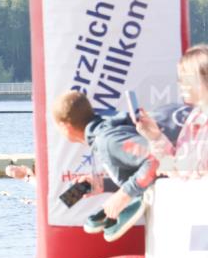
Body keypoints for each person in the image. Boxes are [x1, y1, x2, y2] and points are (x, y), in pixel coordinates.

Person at [51, 91, 157, 242]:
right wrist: (103, 184)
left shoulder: (108, 140)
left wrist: (123, 195)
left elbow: (154, 158)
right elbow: (142, 170)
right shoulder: (104, 134)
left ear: (65, 126)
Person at [136, 45, 208, 179]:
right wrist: (155, 136)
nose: (180, 84)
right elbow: (179, 169)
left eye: (185, 78)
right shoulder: (195, 117)